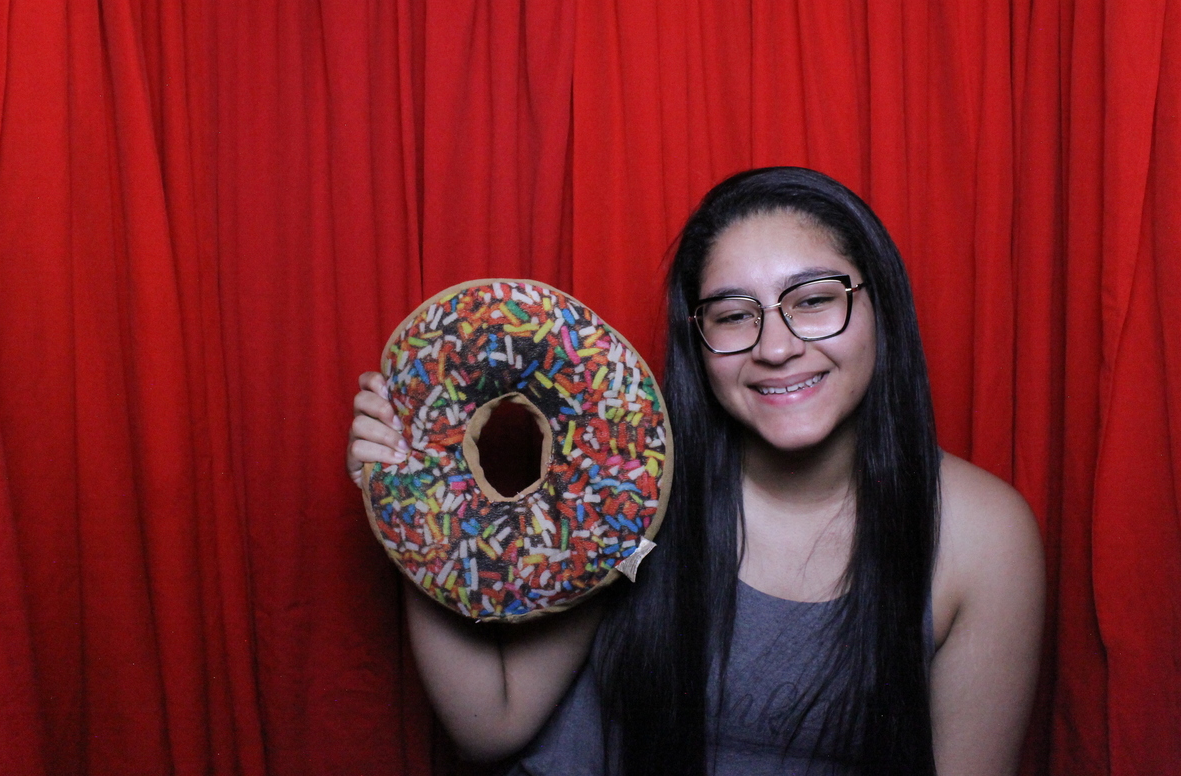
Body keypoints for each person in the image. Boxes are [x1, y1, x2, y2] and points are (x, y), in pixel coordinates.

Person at [347, 167, 1044, 775]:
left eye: (813, 300)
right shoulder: (634, 486)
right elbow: (490, 722)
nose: (776, 347)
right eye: (733, 315)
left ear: (880, 306)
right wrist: (413, 511)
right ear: (698, 342)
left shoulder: (984, 536)